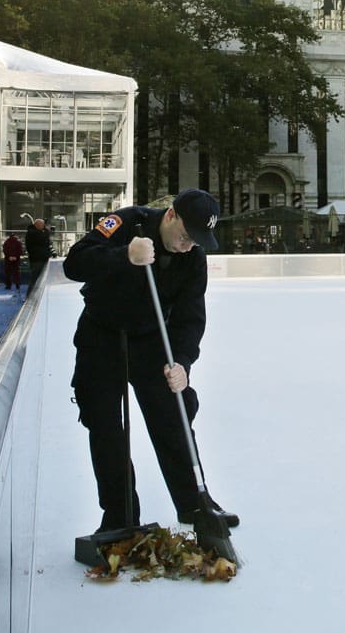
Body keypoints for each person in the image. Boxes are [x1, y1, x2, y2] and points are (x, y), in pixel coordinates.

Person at [62, 189, 237, 535]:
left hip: (152, 342)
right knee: (106, 426)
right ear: (171, 216)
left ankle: (194, 504)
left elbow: (190, 318)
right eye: (186, 236)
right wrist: (123, 254)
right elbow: (74, 263)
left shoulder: (193, 257)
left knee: (173, 417)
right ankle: (120, 514)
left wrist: (183, 363)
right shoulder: (127, 223)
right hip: (102, 336)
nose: (189, 246)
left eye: (197, 241)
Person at [25, 217, 56, 296]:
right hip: (37, 259)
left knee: (39, 278)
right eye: (42, 225)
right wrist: (47, 231)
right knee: (35, 278)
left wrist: (52, 252)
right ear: (37, 225)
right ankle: (30, 295)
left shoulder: (39, 233)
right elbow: (42, 238)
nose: (44, 227)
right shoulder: (32, 233)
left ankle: (36, 294)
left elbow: (47, 243)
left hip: (42, 258)